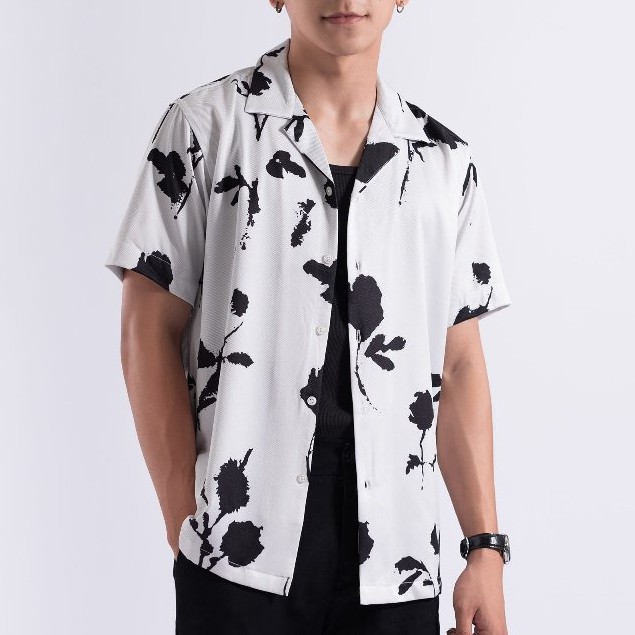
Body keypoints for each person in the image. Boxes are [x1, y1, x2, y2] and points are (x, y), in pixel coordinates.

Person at [104, 2, 513, 634]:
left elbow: (457, 367)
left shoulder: (443, 162)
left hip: (396, 560)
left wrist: (484, 547)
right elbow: (147, 329)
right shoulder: (205, 128)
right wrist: (186, 519)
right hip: (237, 552)